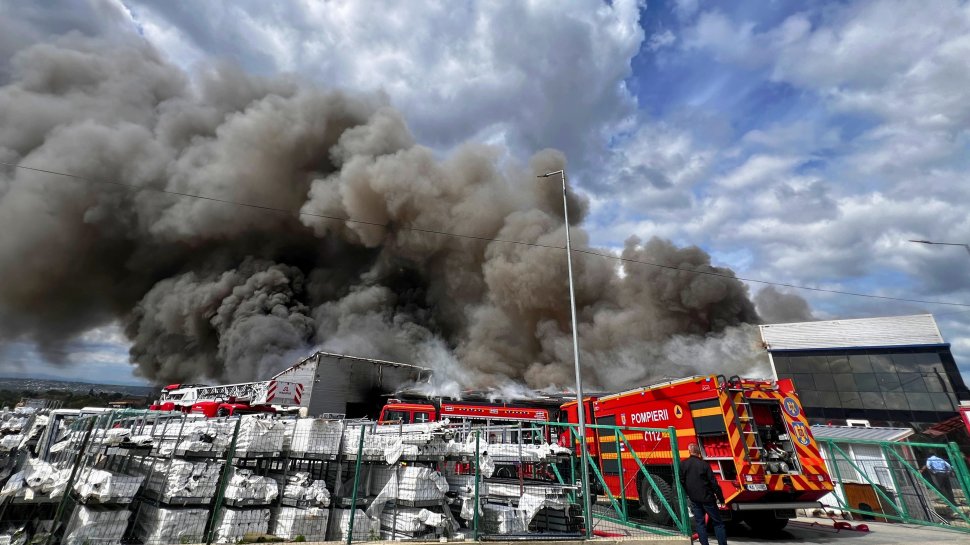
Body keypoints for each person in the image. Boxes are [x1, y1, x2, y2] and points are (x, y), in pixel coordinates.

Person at [680, 443, 727, 545]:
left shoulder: (683, 464)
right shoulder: (704, 465)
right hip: (708, 498)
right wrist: (721, 498)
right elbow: (713, 483)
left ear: (690, 451)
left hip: (694, 499)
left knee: (700, 523)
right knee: (718, 523)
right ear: (699, 452)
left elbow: (682, 481)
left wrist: (689, 493)